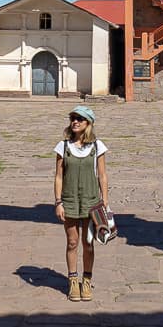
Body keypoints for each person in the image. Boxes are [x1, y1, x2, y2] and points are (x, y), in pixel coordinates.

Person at [53, 105, 109, 301]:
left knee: (88, 243)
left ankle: (86, 280)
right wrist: (58, 202)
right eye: (73, 118)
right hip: (69, 201)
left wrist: (105, 203)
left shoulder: (97, 146)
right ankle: (72, 281)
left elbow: (102, 176)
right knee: (72, 242)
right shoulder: (63, 146)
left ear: (88, 123)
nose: (75, 122)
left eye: (80, 119)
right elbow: (59, 176)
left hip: (91, 202)